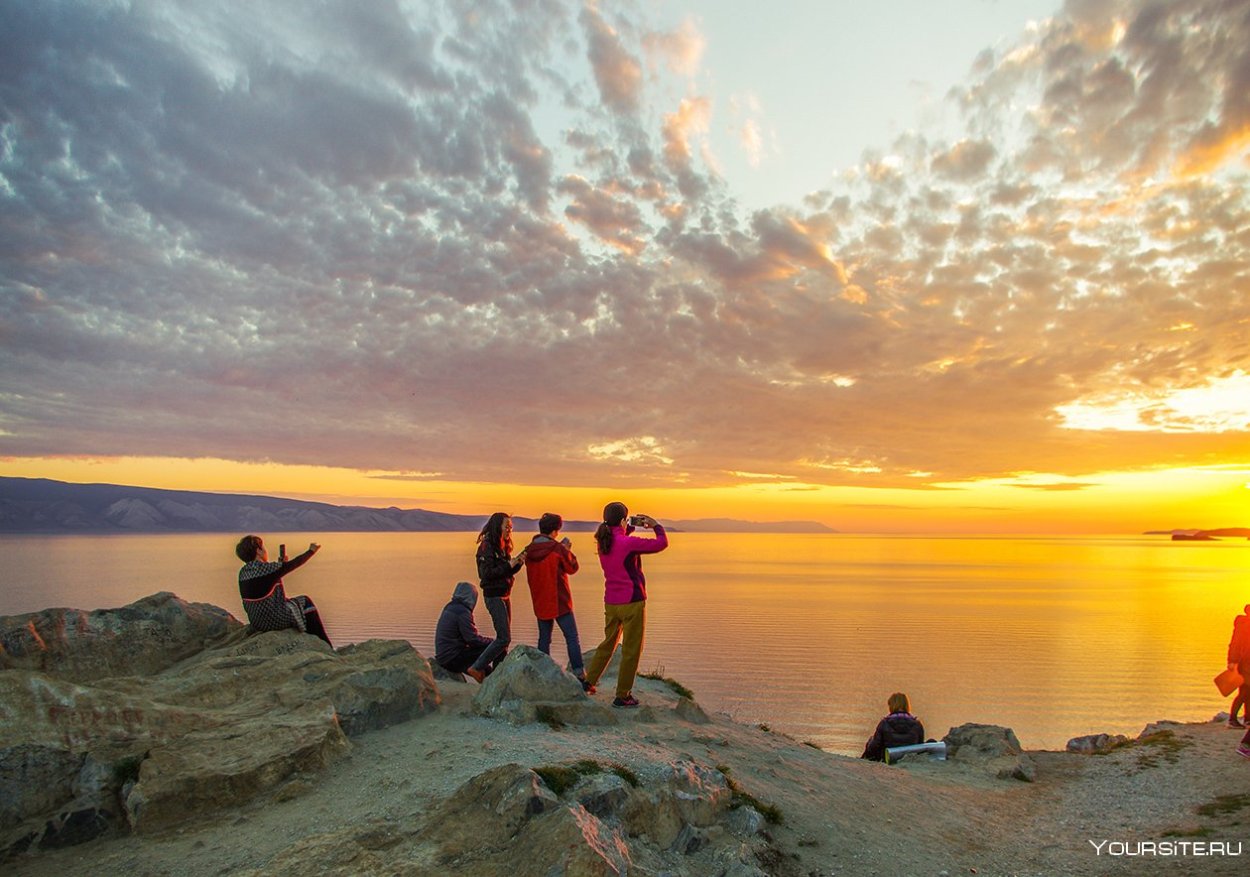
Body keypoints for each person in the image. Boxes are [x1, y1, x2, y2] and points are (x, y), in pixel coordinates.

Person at [582, 502, 669, 707]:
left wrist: (626, 528)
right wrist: (656, 526)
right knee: (631, 650)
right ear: (622, 519)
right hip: (632, 602)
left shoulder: (603, 542)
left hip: (611, 602)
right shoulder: (626, 543)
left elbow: (620, 541)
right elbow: (661, 544)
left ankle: (588, 682)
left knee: (607, 645)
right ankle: (623, 695)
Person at [523, 512, 589, 688]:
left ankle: (542, 673)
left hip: (540, 600)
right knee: (572, 638)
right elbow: (572, 567)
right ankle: (580, 675)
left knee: (544, 639)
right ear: (555, 530)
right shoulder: (557, 549)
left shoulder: (529, 550)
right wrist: (566, 549)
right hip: (559, 601)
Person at [235, 535, 332, 647]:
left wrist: (280, 564)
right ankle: (324, 644)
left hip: (257, 623)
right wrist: (311, 551)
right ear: (258, 551)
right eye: (263, 548)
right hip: (274, 620)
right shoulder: (266, 569)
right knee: (305, 601)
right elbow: (294, 564)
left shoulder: (243, 573)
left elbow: (266, 582)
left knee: (292, 602)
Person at [466, 512, 526, 683]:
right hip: (494, 596)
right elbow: (486, 574)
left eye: (511, 528)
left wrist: (517, 564)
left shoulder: (503, 545)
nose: (509, 530)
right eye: (506, 527)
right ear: (497, 526)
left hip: (505, 595)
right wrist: (509, 565)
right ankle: (477, 667)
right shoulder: (487, 547)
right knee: (503, 637)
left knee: (504, 642)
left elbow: (504, 571)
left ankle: (496, 677)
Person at [433, 581, 498, 677]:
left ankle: (489, 679)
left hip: (444, 657)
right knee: (495, 647)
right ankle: (493, 678)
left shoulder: (450, 606)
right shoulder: (462, 612)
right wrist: (492, 642)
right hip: (452, 659)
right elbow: (472, 639)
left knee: (483, 664)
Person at [861, 692, 925, 761]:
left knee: (871, 741)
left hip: (888, 757)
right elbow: (920, 746)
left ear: (891, 706)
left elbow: (875, 747)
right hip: (909, 758)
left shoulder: (884, 723)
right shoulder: (917, 724)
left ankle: (862, 761)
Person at [1227, 604, 1250, 729]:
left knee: (1247, 692)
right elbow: (1235, 644)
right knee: (1244, 692)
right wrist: (1232, 661)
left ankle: (1247, 719)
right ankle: (1232, 719)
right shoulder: (1243, 626)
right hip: (1244, 664)